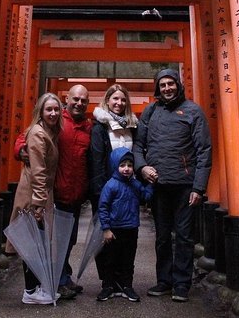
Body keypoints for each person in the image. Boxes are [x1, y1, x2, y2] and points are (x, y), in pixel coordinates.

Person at [132, 68, 212, 302]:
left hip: (185, 185)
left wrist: (199, 187)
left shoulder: (193, 111)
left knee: (185, 236)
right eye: (163, 85)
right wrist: (142, 168)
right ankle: (164, 281)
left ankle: (181, 284)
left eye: (171, 84)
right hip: (159, 184)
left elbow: (204, 150)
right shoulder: (150, 112)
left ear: (178, 85)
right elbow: (138, 146)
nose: (167, 88)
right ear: (158, 88)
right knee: (163, 236)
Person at [14, 85, 92, 299]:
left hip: (75, 194)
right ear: (68, 98)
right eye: (75, 99)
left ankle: (62, 278)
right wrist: (21, 150)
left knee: (67, 240)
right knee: (50, 241)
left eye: (83, 100)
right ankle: (50, 284)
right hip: (54, 193)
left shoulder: (87, 127)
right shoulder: (54, 123)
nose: (79, 103)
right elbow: (26, 138)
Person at [6, 92, 63, 305]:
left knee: (38, 242)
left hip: (39, 193)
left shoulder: (49, 132)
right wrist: (39, 203)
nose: (53, 113)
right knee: (31, 243)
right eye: (49, 109)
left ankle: (37, 288)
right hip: (33, 194)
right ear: (40, 111)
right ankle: (30, 290)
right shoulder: (38, 133)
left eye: (56, 109)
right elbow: (39, 170)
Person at [89, 84, 138, 292]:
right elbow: (97, 160)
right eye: (115, 99)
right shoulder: (100, 127)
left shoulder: (132, 126)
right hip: (106, 189)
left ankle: (123, 280)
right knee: (105, 236)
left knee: (126, 237)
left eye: (123, 99)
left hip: (127, 190)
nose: (119, 103)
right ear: (107, 101)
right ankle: (107, 281)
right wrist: (100, 193)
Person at [96, 147, 153, 302]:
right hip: (114, 229)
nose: (126, 169)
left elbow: (145, 196)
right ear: (115, 166)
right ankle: (108, 286)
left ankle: (127, 286)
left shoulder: (135, 184)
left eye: (129, 165)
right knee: (110, 259)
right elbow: (103, 207)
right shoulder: (111, 185)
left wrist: (150, 184)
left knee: (128, 259)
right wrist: (106, 228)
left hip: (131, 228)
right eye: (122, 165)